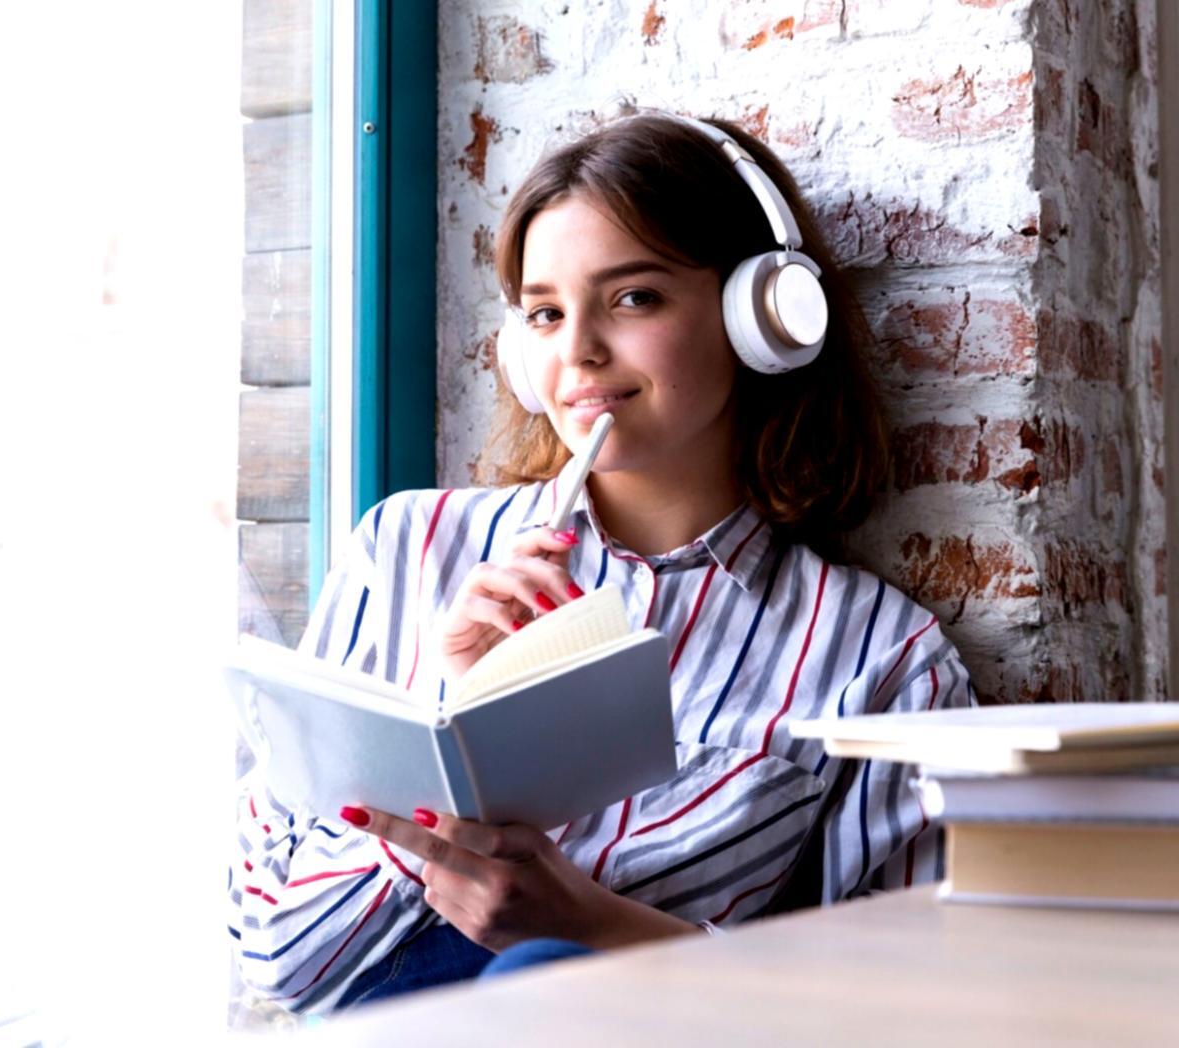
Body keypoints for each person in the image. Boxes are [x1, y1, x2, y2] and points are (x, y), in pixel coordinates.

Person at [228, 111, 974, 1014]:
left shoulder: (877, 656)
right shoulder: (404, 549)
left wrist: (595, 927)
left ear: (763, 314)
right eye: (543, 313)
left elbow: (902, 1008)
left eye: (633, 299)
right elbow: (273, 959)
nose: (576, 350)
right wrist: (444, 731)